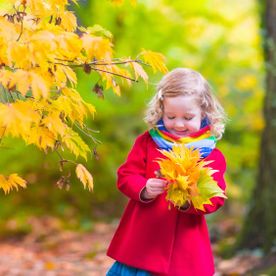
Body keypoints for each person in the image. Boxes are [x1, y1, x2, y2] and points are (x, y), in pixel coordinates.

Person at [106, 68, 227, 276]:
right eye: (171, 116)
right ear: (161, 110)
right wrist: (143, 188)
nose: (178, 124)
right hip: (143, 242)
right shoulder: (148, 141)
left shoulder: (212, 155)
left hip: (184, 249)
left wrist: (189, 202)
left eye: (188, 117)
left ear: (204, 113)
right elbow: (126, 175)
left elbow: (216, 197)